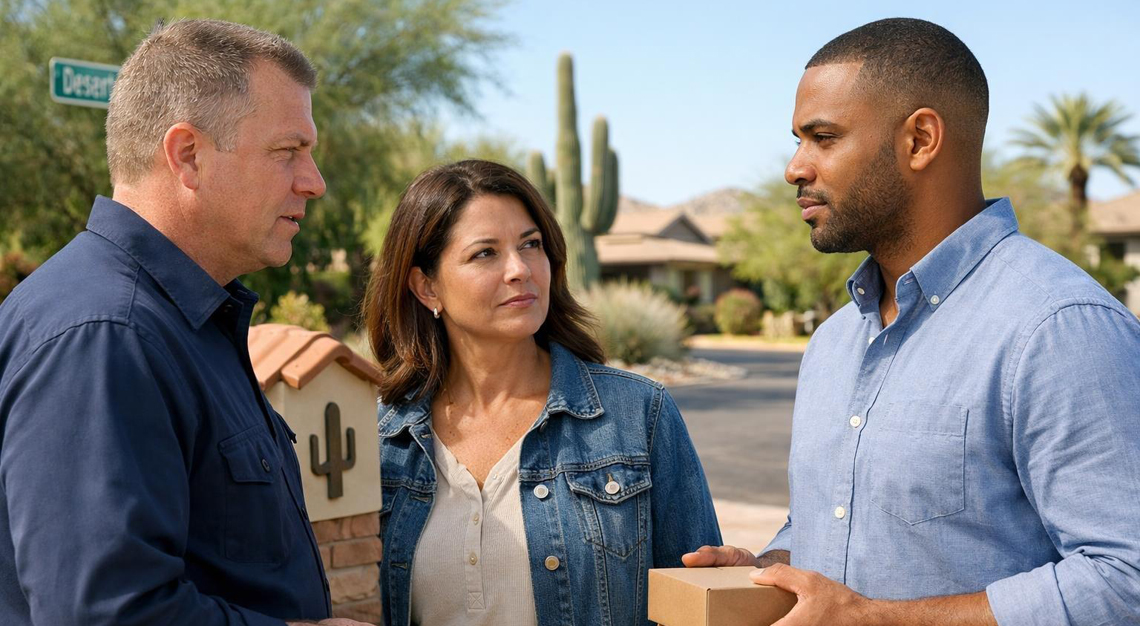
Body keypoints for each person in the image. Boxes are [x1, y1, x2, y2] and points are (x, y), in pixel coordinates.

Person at [683, 17, 1140, 625]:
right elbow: (835, 526)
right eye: (798, 140)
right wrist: (769, 566)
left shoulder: (1057, 328)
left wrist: (875, 618)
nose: (795, 167)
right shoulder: (832, 343)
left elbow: (1124, 580)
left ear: (921, 139)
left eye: (823, 138)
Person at [0, 19, 368, 626]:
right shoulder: (106, 335)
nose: (315, 182)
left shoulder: (175, 320)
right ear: (188, 156)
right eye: (288, 152)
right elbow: (102, 615)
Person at [362, 159, 722, 626]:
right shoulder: (381, 438)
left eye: (530, 245)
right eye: (485, 253)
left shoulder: (638, 414)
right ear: (427, 287)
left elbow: (696, 603)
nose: (519, 269)